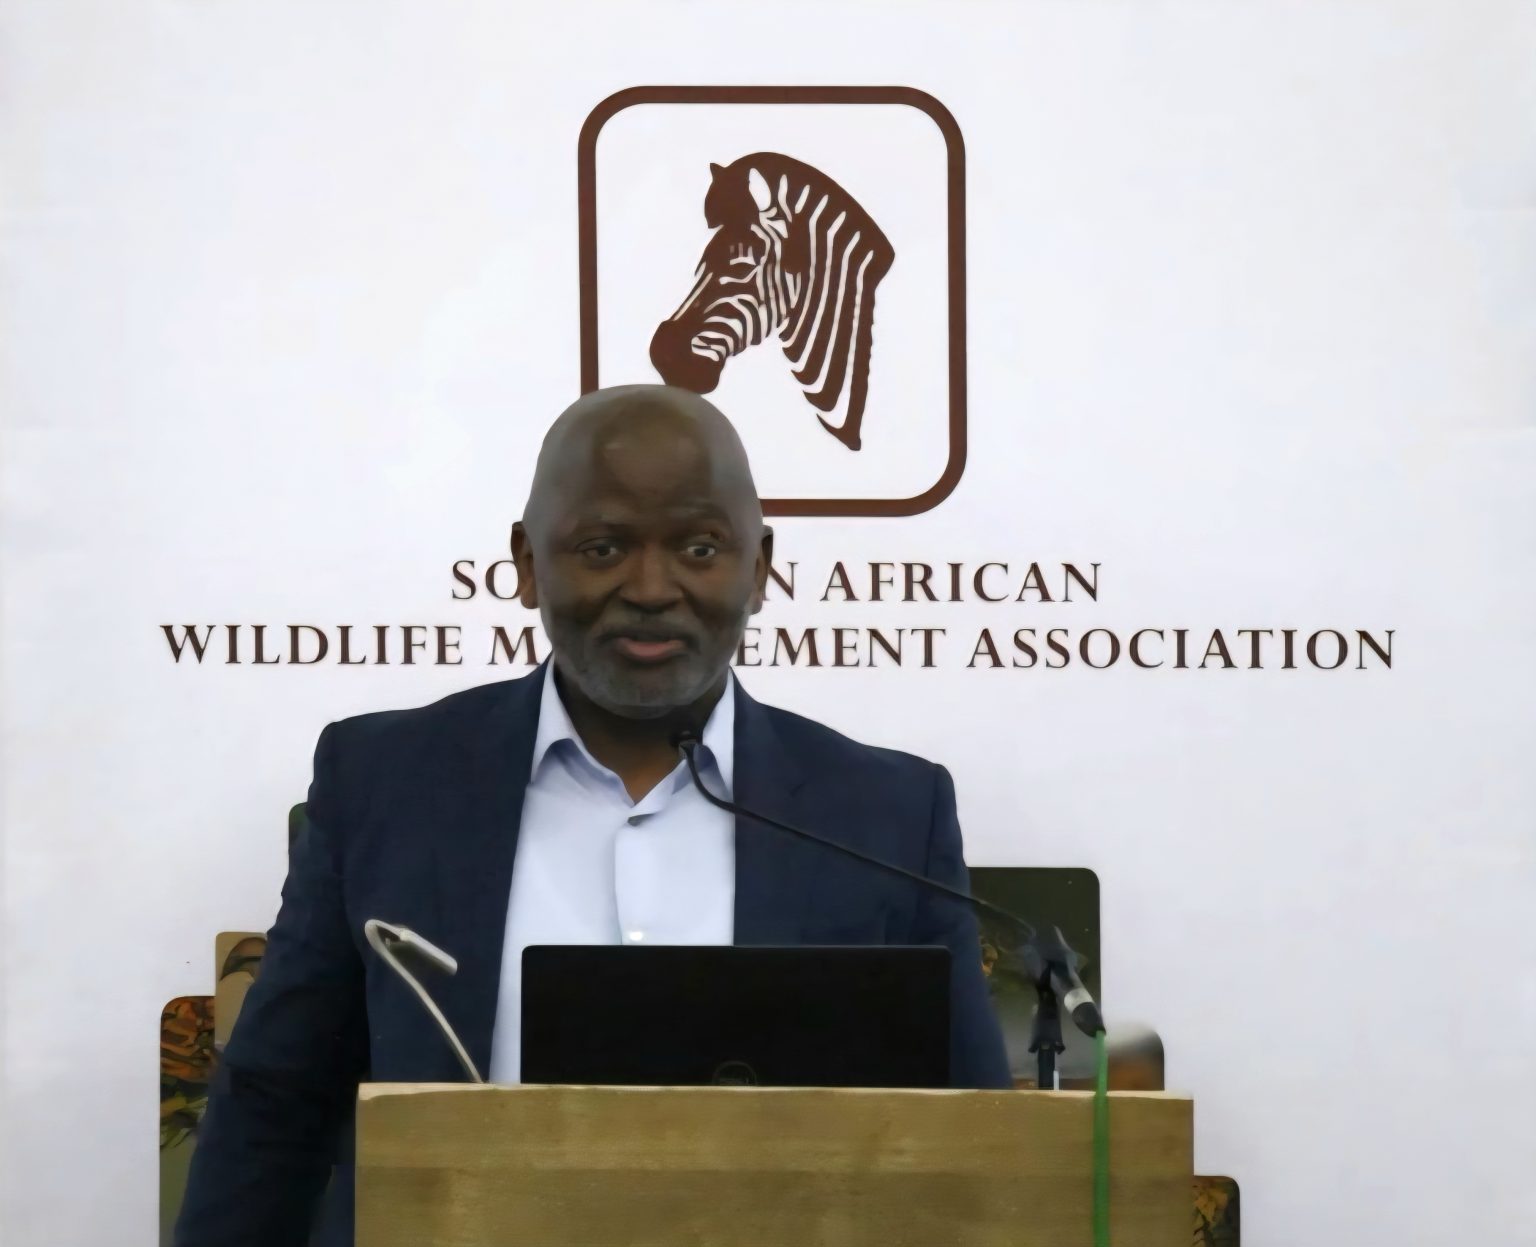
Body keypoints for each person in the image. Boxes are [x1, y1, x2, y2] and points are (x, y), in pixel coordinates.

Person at [174, 384, 1008, 1247]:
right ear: (527, 562)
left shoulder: (885, 816)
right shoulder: (384, 783)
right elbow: (275, 1107)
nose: (651, 588)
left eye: (698, 547)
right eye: (603, 547)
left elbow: (982, 1154)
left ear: (760, 567)